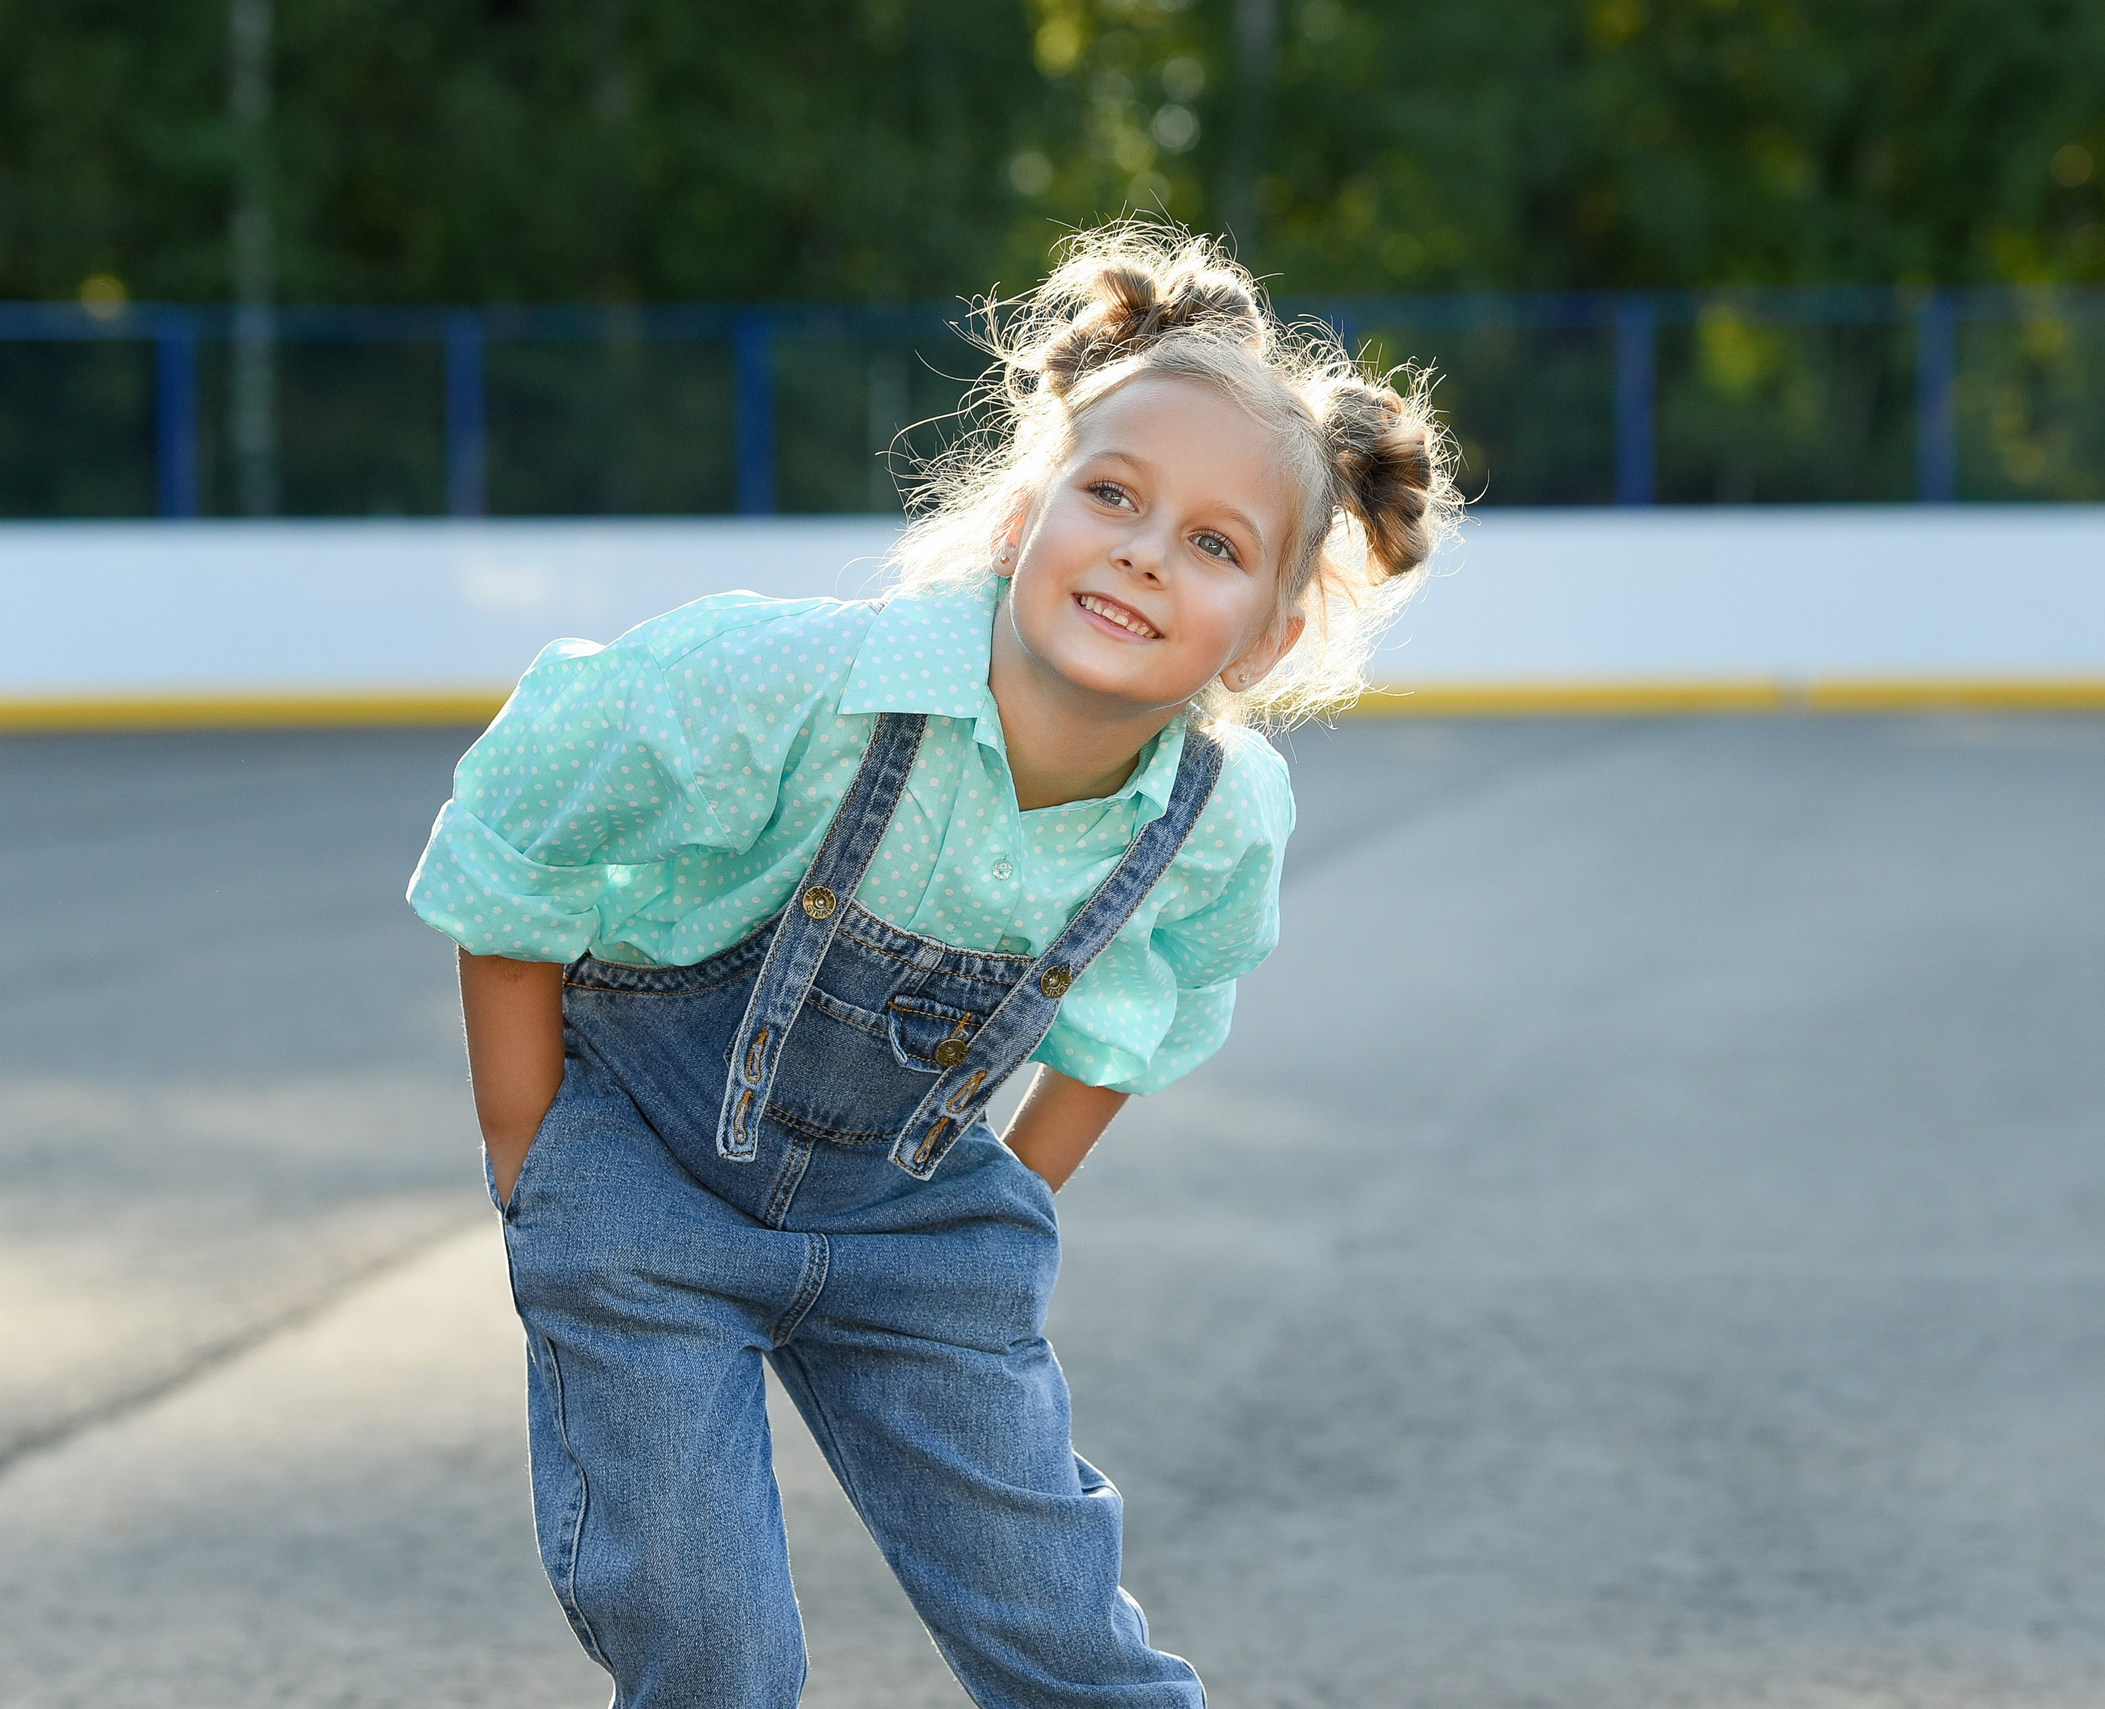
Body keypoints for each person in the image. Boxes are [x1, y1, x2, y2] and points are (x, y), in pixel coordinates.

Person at [405, 221, 1458, 1709]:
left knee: (1070, 1644)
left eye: (1214, 545)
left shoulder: (1218, 815)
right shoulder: (806, 686)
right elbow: (522, 814)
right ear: (1028, 511)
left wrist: (1006, 1202)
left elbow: (1151, 1012)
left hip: (916, 1226)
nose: (1146, 553)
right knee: (715, 1649)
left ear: (1268, 637)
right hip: (639, 1182)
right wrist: (532, 1157)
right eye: (1114, 495)